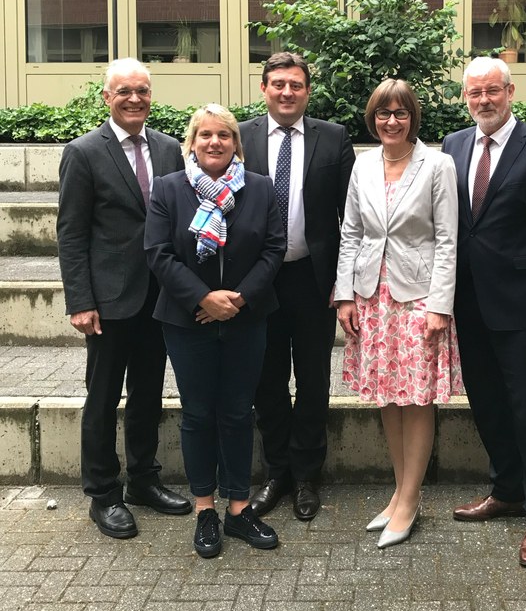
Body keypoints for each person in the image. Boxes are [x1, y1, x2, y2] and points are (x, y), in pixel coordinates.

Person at [441, 57, 526, 567]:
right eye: (474, 94)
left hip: (524, 310)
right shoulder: (452, 146)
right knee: (488, 404)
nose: (483, 101)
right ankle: (506, 489)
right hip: (468, 304)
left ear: (510, 91)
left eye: (492, 92)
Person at [57, 57, 190, 539]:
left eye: (143, 90)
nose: (135, 99)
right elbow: (71, 234)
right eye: (124, 91)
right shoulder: (83, 152)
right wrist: (80, 300)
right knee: (103, 397)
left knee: (149, 395)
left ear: (151, 96)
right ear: (106, 97)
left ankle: (143, 480)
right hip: (108, 300)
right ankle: (103, 493)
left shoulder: (169, 148)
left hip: (159, 298)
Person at [145, 104, 286, 558]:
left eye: (224, 135)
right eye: (205, 134)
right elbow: (159, 252)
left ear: (236, 143)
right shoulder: (169, 188)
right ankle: (206, 508)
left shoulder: (261, 189)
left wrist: (238, 299)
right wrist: (204, 299)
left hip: (248, 317)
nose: (214, 142)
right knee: (198, 414)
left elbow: (273, 248)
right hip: (187, 321)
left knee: (238, 412)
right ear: (192, 142)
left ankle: (239, 508)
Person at [335, 78, 461, 548]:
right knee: (387, 396)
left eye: (400, 113)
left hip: (417, 299)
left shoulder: (437, 165)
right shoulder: (363, 165)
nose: (391, 121)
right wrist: (344, 294)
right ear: (373, 118)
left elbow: (448, 239)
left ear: (413, 118)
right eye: (383, 114)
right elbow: (350, 233)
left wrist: (439, 305)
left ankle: (410, 500)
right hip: (371, 297)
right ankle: (399, 491)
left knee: (416, 398)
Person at [239, 52, 355, 520]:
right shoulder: (241, 136)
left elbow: (354, 217)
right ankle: (276, 473)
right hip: (258, 281)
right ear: (264, 88)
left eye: (296, 85)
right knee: (266, 380)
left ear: (308, 91)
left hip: (313, 279)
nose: (287, 92)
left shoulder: (333, 138)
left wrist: (344, 284)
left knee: (312, 380)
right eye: (278, 84)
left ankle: (307, 475)